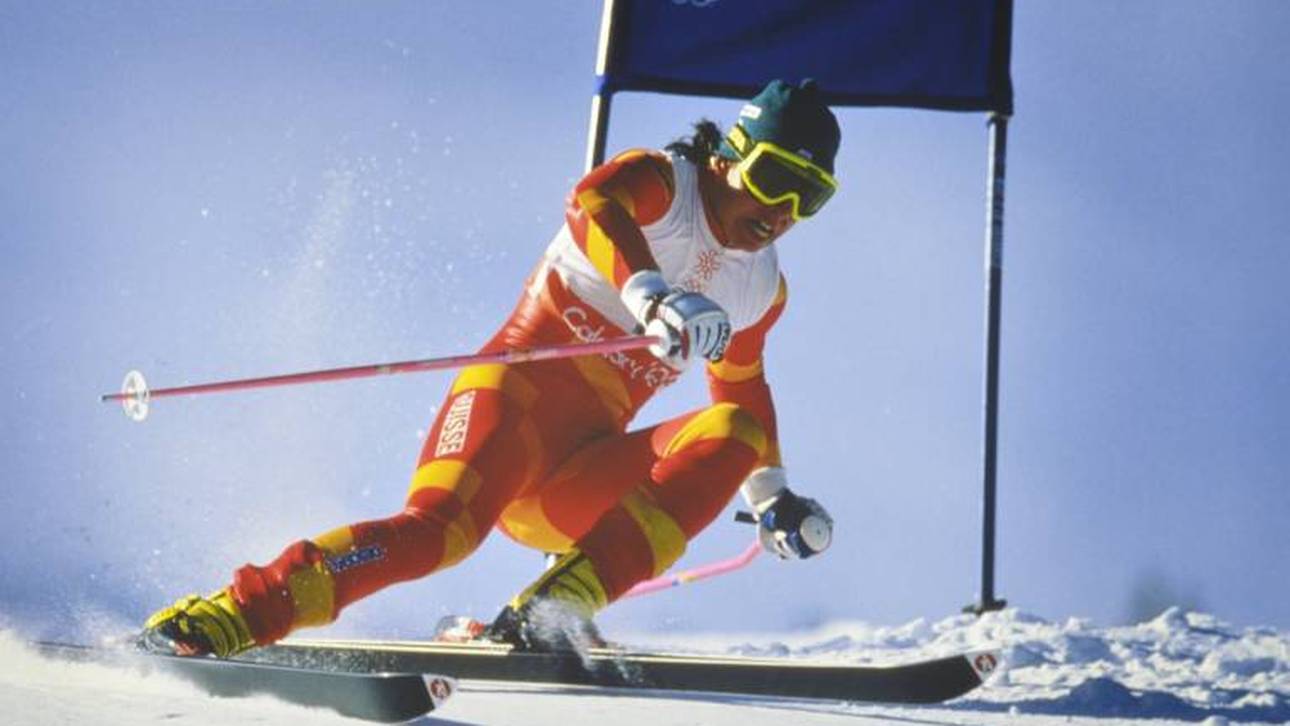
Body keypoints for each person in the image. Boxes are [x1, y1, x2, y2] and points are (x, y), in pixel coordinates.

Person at [143, 79, 841, 657]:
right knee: (437, 535)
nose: (781, 211)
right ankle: (233, 613)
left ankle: (555, 608)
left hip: (577, 477)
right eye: (774, 179)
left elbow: (741, 383)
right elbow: (591, 202)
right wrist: (650, 294)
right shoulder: (663, 184)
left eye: (808, 197)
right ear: (729, 156)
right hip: (512, 404)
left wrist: (771, 495)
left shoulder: (760, 287)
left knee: (736, 429)